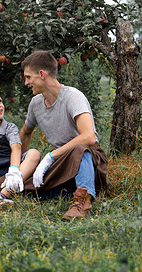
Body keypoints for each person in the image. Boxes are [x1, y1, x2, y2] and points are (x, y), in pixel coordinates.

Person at [19, 50, 108, 220]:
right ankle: (68, 192)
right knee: (23, 187)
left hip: (89, 160)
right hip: (62, 162)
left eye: (28, 77)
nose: (26, 82)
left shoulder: (73, 97)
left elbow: (88, 137)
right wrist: (15, 167)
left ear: (42, 74)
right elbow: (25, 132)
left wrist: (49, 157)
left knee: (81, 149)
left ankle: (82, 200)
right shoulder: (36, 103)